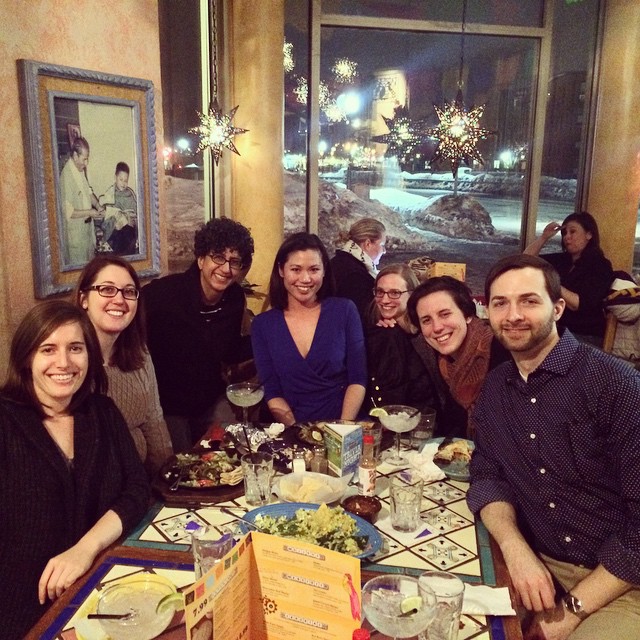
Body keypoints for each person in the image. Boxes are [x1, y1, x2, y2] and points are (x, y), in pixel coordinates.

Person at [467, 253, 640, 640]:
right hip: (539, 559)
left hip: (623, 578)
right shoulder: (497, 387)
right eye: (500, 303)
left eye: (529, 300)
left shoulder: (614, 384)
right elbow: (486, 473)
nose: (513, 315)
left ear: (558, 308)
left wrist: (572, 609)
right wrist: (515, 548)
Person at [0, 301, 150, 639]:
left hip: (101, 599)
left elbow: (137, 489)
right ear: (27, 357)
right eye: (48, 349)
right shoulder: (5, 421)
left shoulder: (102, 412)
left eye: (76, 349)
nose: (64, 363)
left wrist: (86, 548)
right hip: (22, 617)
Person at [142, 217, 255, 450]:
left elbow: (232, 350)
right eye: (218, 257)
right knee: (182, 467)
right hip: (168, 405)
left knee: (234, 451)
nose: (226, 268)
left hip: (210, 399)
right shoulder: (163, 295)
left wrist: (268, 337)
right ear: (201, 258)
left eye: (234, 261)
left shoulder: (234, 298)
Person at [252, 232, 367, 425]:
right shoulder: (263, 325)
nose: (305, 279)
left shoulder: (344, 310)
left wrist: (341, 430)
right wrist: (298, 433)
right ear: (281, 270)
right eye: (296, 269)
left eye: (314, 269)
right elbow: (272, 391)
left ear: (324, 272)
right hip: (292, 428)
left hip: (344, 423)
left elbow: (358, 379)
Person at [76, 255, 173, 476]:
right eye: (107, 290)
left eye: (129, 291)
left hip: (142, 487)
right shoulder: (70, 365)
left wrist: (170, 481)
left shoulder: (139, 353)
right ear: (84, 299)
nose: (120, 300)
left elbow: (154, 422)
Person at [407, 276, 509, 438]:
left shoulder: (502, 351)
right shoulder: (443, 364)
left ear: (467, 315)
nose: (437, 327)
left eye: (445, 314)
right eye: (426, 320)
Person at [524, 211, 613, 346]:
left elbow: (578, 304)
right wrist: (544, 237)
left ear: (589, 234)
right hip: (558, 331)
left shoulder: (600, 265)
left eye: (573, 232)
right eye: (564, 233)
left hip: (585, 335)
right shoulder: (563, 260)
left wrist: (552, 282)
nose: (567, 237)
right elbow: (526, 260)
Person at [365, 264, 442, 415]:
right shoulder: (378, 332)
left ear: (412, 295)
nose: (385, 300)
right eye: (380, 292)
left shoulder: (424, 334)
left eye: (395, 293)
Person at [59, 136, 105, 264]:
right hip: (76, 238)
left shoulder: (79, 170)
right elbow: (69, 212)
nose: (86, 163)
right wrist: (90, 212)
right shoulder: (66, 177)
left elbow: (88, 192)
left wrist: (98, 205)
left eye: (87, 159)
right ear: (75, 155)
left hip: (86, 234)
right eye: (84, 159)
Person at [330, 218, 386, 318]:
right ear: (368, 244)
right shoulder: (356, 276)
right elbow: (361, 317)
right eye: (382, 245)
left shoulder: (338, 261)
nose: (384, 251)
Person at [98, 161, 138, 255]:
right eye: (121, 179)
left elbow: (135, 213)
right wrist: (115, 223)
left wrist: (129, 220)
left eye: (126, 180)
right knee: (119, 236)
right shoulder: (110, 194)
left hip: (128, 229)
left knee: (129, 235)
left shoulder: (130, 194)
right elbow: (106, 215)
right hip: (114, 230)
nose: (123, 183)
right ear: (115, 177)